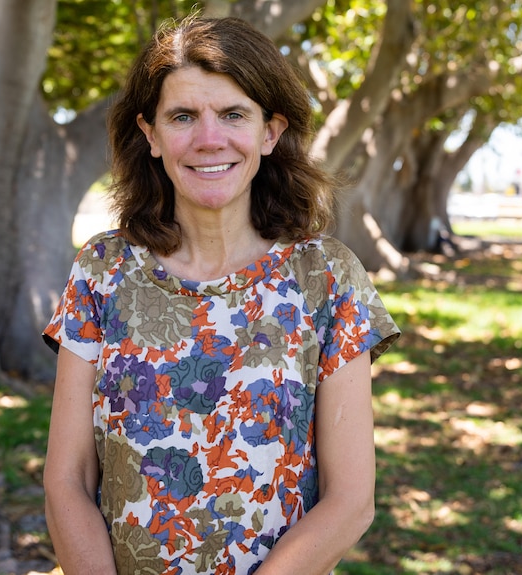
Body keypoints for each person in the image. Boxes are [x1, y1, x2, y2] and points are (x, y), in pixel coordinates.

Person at [41, 15, 400, 575]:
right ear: (152, 135)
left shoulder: (326, 276)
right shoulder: (102, 270)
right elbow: (67, 479)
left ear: (270, 132)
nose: (210, 139)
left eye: (233, 114)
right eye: (183, 116)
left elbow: (351, 500)